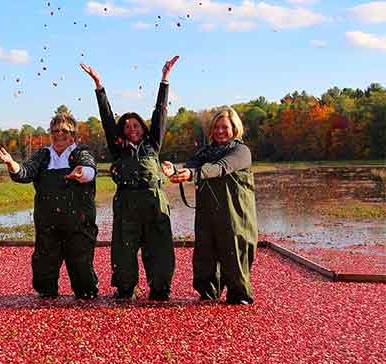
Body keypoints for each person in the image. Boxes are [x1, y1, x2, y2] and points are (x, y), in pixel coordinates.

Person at [80, 56, 179, 301]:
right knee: (124, 248)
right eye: (127, 126)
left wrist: (164, 79)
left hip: (154, 200)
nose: (132, 129)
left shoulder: (152, 144)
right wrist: (99, 86)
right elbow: (106, 119)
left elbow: (161, 113)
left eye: (136, 125)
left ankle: (160, 288)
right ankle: (125, 288)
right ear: (122, 130)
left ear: (143, 129)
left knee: (159, 248)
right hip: (126, 202)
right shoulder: (118, 149)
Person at [0, 112, 99, 300]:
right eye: (55, 131)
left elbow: (90, 169)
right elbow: (25, 173)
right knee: (43, 278)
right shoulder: (43, 155)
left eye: (64, 131)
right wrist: (11, 163)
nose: (59, 134)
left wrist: (81, 173)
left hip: (78, 225)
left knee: (83, 279)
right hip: (48, 225)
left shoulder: (81, 152)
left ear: (72, 135)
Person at [161, 107, 257, 305]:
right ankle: (208, 296)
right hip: (207, 216)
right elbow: (192, 165)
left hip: (236, 217)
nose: (220, 131)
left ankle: (239, 300)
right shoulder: (206, 152)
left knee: (235, 261)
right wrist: (175, 171)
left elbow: (221, 167)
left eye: (225, 127)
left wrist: (192, 174)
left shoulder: (241, 151)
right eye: (216, 127)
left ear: (235, 128)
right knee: (206, 259)